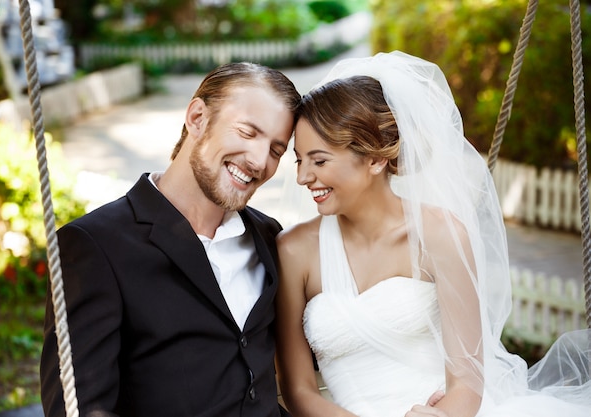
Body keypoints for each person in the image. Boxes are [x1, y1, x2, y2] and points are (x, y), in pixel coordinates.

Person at [274, 51, 591, 417]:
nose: (302, 177)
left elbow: (468, 380)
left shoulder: (440, 234)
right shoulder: (294, 250)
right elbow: (297, 390)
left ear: (376, 159)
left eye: (319, 160)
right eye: (299, 160)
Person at [40, 61, 301, 417]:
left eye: (276, 150)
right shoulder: (94, 246)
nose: (259, 161)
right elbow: (78, 409)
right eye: (247, 132)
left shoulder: (271, 237)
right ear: (196, 118)